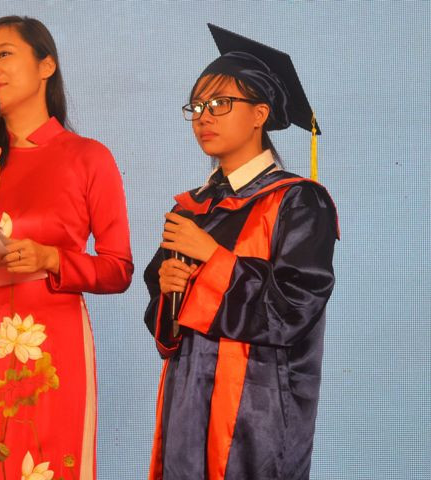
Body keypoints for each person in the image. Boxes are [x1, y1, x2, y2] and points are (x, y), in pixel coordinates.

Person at [0, 16, 133, 480]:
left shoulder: (88, 157)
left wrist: (52, 259)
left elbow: (118, 268)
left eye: (4, 54)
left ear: (46, 66)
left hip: (51, 342)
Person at [144, 24, 339, 480]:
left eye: (220, 104)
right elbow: (167, 330)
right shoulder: (191, 208)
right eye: (197, 107)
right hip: (186, 406)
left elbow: (294, 309)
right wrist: (168, 293)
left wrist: (213, 260)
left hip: (257, 416)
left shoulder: (297, 201)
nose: (203, 117)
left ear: (260, 114)